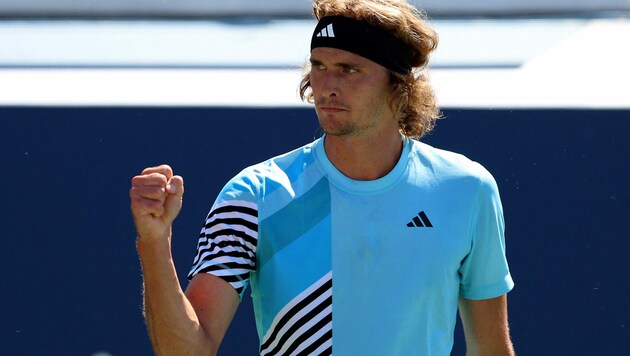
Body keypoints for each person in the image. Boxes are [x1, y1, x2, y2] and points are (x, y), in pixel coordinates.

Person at [129, 0, 515, 355]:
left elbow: (491, 349)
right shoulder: (254, 194)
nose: (327, 86)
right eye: (319, 66)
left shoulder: (467, 189)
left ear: (399, 86)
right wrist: (154, 242)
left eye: (350, 69)